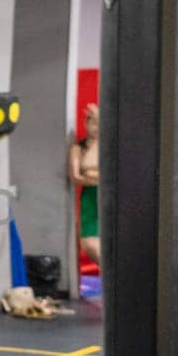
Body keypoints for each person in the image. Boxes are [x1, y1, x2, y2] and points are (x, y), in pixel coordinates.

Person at [70, 105, 100, 268]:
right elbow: (76, 177)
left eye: (100, 124)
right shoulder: (78, 148)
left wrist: (91, 175)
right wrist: (95, 178)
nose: (96, 128)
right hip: (90, 198)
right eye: (93, 123)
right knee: (89, 243)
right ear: (85, 124)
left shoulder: (109, 148)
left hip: (107, 197)